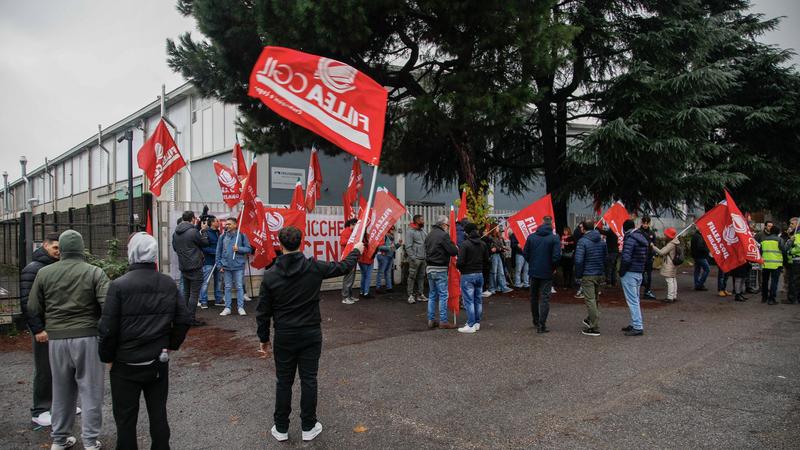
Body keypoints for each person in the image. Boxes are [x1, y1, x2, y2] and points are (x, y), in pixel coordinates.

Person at [256, 227, 363, 443]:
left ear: (280, 244)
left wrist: (263, 338)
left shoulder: (270, 275)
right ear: (301, 242)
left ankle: (281, 427)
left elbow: (263, 312)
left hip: (285, 335)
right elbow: (343, 266)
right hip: (310, 333)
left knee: (284, 381)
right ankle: (308, 425)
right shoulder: (313, 267)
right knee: (309, 379)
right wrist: (356, 251)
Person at [98, 232, 191, 450]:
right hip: (158, 359)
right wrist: (171, 343)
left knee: (125, 418)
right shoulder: (168, 283)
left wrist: (107, 356)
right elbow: (184, 318)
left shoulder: (118, 285)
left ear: (131, 253)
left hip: (125, 363)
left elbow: (107, 327)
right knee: (158, 412)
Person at [28, 230, 110, 450]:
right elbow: (108, 306)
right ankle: (91, 442)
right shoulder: (95, 272)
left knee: (62, 390)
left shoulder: (44, 273)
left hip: (56, 340)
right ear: (82, 248)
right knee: (91, 391)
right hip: (88, 337)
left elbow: (33, 307)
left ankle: (59, 439)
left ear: (61, 249)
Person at [20, 232, 61, 427]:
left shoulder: (54, 267)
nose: (58, 252)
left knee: (61, 367)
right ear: (45, 245)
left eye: (61, 248)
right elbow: (27, 303)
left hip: (57, 326)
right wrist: (37, 329)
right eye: (55, 247)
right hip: (43, 328)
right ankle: (40, 409)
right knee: (44, 369)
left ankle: (59, 405)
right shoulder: (33, 269)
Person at [172, 210, 210, 326]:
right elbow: (205, 243)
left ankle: (184, 318)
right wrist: (203, 231)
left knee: (186, 293)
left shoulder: (175, 233)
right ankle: (190, 319)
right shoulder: (193, 231)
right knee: (194, 294)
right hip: (195, 266)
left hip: (183, 266)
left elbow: (174, 248)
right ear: (193, 219)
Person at [523, 216, 561, 334]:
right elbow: (556, 257)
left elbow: (526, 253)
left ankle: (536, 320)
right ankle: (541, 324)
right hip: (547, 271)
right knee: (544, 298)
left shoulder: (531, 237)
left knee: (534, 297)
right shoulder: (554, 238)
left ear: (541, 223)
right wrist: (553, 268)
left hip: (534, 270)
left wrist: (532, 262)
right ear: (551, 225)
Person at [424, 216, 459, 329]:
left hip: (430, 268)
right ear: (443, 225)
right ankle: (443, 321)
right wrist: (455, 247)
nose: (448, 227)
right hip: (440, 268)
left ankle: (431, 319)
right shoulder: (443, 235)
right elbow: (453, 251)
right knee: (443, 295)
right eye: (447, 225)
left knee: (432, 295)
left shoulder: (429, 235)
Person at [575, 220, 607, 337]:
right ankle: (590, 319)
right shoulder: (602, 240)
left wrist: (578, 275)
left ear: (583, 228)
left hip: (588, 273)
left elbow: (578, 260)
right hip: (598, 272)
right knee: (595, 298)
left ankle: (594, 327)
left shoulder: (582, 241)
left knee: (590, 300)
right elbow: (605, 257)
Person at [216, 217, 253, 316]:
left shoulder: (241, 236)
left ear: (235, 225)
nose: (227, 226)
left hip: (238, 266)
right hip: (226, 266)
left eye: (229, 224)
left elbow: (249, 249)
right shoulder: (222, 237)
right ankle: (227, 308)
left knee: (239, 287)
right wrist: (219, 265)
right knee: (227, 287)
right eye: (226, 224)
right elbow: (218, 252)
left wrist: (239, 249)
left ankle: (240, 307)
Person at [457, 222, 489, 333]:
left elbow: (460, 262)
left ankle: (470, 324)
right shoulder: (483, 244)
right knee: (478, 300)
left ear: (467, 232)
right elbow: (486, 261)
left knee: (469, 301)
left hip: (467, 275)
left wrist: (461, 269)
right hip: (479, 274)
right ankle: (476, 323)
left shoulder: (465, 244)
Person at [619, 219, 649, 336]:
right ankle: (634, 322)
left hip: (630, 272)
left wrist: (621, 271)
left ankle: (637, 325)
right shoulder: (642, 238)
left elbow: (626, 258)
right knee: (635, 299)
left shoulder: (630, 239)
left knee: (632, 300)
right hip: (638, 271)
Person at [651, 228, 681, 303]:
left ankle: (670, 297)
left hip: (669, 263)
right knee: (673, 279)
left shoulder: (671, 244)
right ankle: (674, 295)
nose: (664, 235)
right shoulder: (676, 242)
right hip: (673, 263)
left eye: (666, 234)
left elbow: (661, 252)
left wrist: (653, 246)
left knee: (669, 280)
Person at [200, 216, 223, 308]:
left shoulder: (218, 233)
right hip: (208, 262)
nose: (219, 222)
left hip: (218, 262)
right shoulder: (206, 233)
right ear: (212, 223)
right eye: (217, 221)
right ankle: (203, 301)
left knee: (218, 281)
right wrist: (216, 252)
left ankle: (218, 300)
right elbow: (204, 248)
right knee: (206, 281)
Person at [404, 214, 428, 304]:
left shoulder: (423, 231)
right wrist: (413, 258)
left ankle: (420, 294)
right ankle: (410, 295)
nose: (423, 221)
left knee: (421, 277)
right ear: (417, 221)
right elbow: (408, 246)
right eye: (422, 220)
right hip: (415, 259)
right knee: (412, 277)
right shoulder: (410, 231)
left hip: (423, 258)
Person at [759, 226, 784, 305]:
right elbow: (784, 250)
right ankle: (771, 299)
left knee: (765, 281)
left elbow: (760, 251)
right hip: (776, 265)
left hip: (765, 264)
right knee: (774, 282)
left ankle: (764, 297)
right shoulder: (780, 240)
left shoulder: (764, 240)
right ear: (778, 232)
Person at [376, 226, 401, 293]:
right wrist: (389, 247)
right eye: (392, 230)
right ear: (389, 229)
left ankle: (389, 287)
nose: (393, 231)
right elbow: (379, 247)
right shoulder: (383, 236)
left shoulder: (391, 237)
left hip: (389, 256)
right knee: (381, 272)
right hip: (383, 256)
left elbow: (393, 248)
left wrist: (398, 245)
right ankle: (378, 288)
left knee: (387, 272)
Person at [339, 219, 359, 305]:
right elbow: (342, 242)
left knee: (351, 278)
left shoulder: (351, 232)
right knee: (348, 278)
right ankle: (345, 297)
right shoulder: (345, 232)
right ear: (352, 224)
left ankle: (349, 296)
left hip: (352, 257)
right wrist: (351, 241)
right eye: (356, 225)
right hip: (347, 258)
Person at [488, 227, 513, 294]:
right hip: (494, 256)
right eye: (497, 228)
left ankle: (502, 287)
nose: (499, 230)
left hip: (498, 255)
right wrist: (502, 249)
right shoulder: (491, 238)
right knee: (494, 272)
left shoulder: (497, 238)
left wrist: (502, 248)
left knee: (500, 272)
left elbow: (498, 247)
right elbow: (494, 248)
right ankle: (493, 288)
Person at [639, 216, 657, 300]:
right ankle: (637, 291)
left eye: (647, 223)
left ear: (649, 223)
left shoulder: (652, 233)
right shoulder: (639, 232)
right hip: (640, 257)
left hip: (649, 257)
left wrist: (653, 255)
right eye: (644, 223)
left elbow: (654, 245)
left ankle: (647, 291)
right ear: (641, 223)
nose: (645, 225)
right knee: (639, 274)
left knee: (649, 275)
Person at [785, 226, 800, 304]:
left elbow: (798, 248)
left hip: (796, 260)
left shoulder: (797, 236)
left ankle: (792, 299)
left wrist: (790, 251)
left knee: (794, 281)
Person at [358, 234, 375, 299]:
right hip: (368, 260)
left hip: (362, 260)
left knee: (364, 276)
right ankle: (366, 292)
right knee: (367, 277)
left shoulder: (359, 238)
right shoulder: (369, 237)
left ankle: (362, 291)